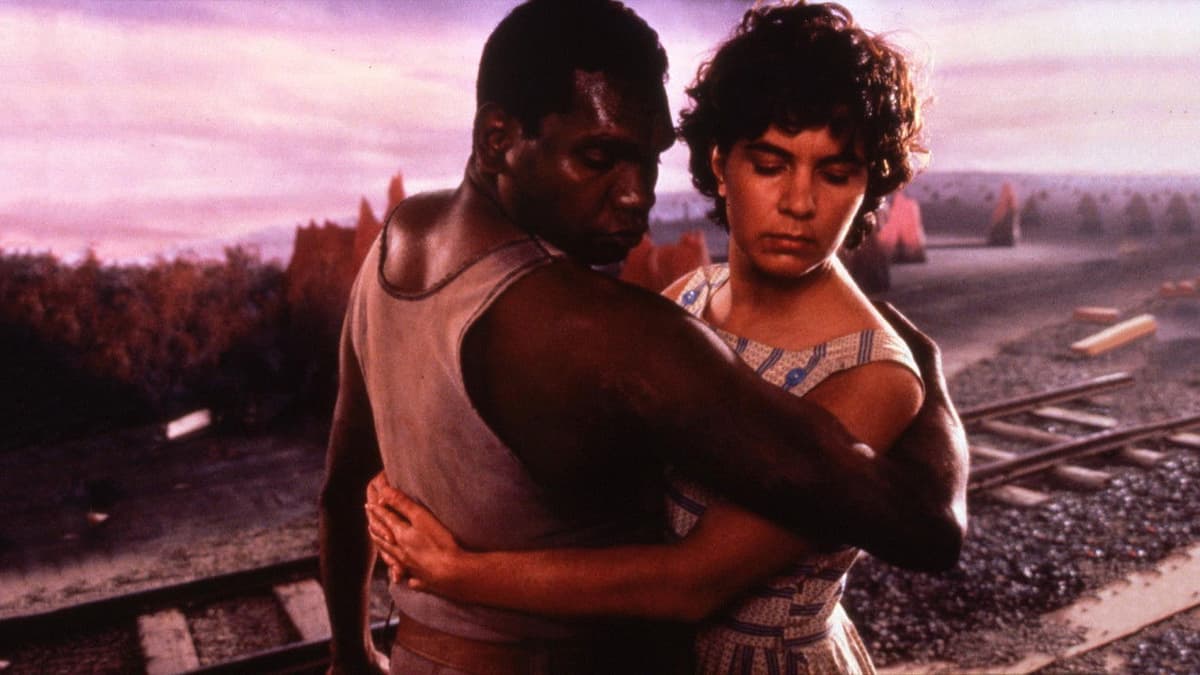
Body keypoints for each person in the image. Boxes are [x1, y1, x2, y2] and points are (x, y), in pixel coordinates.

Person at [322, 0, 967, 673]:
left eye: (835, 174)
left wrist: (368, 641)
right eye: (599, 157)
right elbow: (923, 522)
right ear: (496, 139)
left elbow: (341, 487)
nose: (636, 197)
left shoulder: (401, 237)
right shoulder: (652, 313)